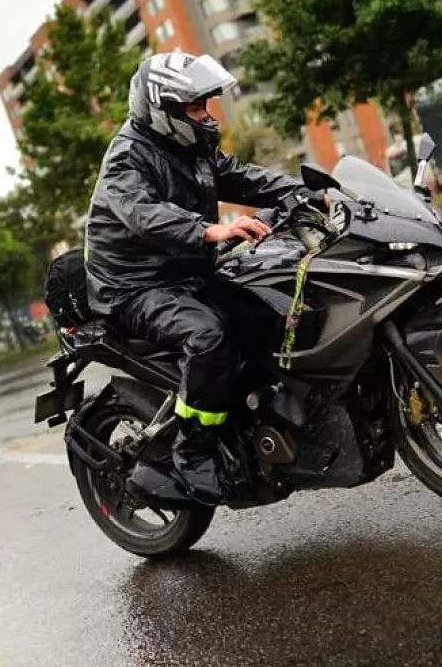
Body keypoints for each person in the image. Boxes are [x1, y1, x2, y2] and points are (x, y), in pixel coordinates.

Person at [85, 51, 324, 505]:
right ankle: (192, 454)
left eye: (205, 105)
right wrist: (210, 230)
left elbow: (237, 175)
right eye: (195, 107)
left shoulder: (190, 144)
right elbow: (144, 214)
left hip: (188, 270)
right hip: (134, 287)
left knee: (272, 311)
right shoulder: (125, 159)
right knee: (208, 337)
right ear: (164, 109)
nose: (205, 115)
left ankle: (263, 417)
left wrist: (302, 188)